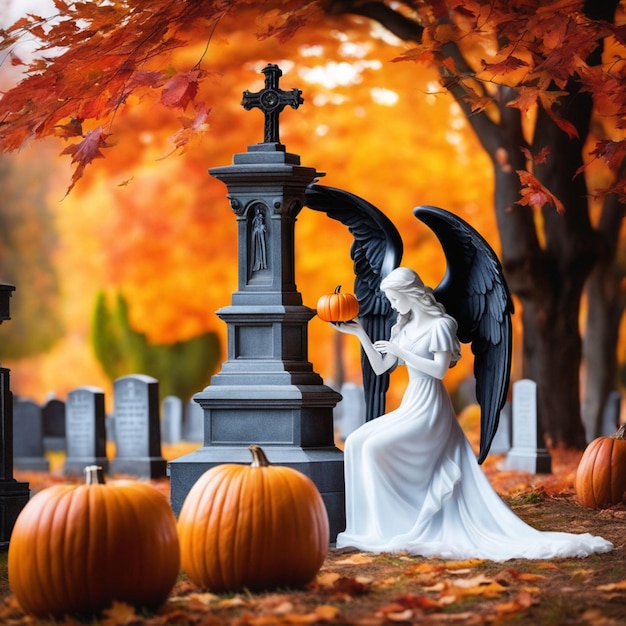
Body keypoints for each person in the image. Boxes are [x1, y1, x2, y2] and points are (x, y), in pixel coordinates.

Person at [331, 267, 613, 560]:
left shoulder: (440, 326)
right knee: (356, 441)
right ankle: (374, 529)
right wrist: (360, 331)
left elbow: (439, 371)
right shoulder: (402, 328)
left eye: (393, 298)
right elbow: (380, 368)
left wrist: (403, 353)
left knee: (375, 447)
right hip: (411, 402)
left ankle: (400, 522)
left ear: (410, 293)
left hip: (430, 408)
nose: (391, 305)